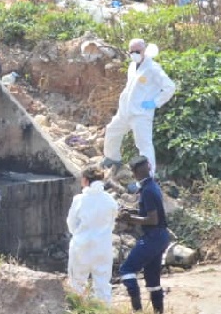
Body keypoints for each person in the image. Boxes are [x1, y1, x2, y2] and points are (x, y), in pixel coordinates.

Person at [103, 39, 175, 176]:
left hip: (141, 114)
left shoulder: (153, 68)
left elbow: (170, 87)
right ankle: (113, 159)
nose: (134, 54)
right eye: (131, 52)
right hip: (125, 111)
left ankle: (148, 176)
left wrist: (155, 102)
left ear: (144, 50)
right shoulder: (132, 66)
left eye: (137, 51)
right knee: (112, 130)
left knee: (144, 145)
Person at [118, 155, 170, 314]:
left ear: (134, 173)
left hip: (153, 236)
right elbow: (150, 212)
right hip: (161, 237)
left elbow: (152, 219)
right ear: (149, 167)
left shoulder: (147, 191)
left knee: (127, 270)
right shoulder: (152, 186)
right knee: (152, 279)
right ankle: (158, 311)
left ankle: (137, 309)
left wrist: (130, 218)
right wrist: (132, 212)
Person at [66, 166, 118, 305]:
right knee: (103, 286)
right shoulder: (110, 201)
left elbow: (71, 224)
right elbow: (112, 224)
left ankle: (78, 310)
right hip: (103, 247)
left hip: (81, 247)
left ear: (85, 180)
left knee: (77, 284)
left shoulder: (79, 200)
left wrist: (79, 234)